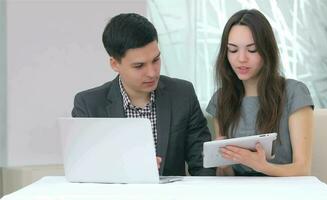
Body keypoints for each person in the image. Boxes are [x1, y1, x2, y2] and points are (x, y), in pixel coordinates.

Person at [72, 13, 215, 176]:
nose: (152, 73)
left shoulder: (183, 94)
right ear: (115, 64)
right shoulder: (89, 105)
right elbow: (85, 170)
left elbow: (203, 165)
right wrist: (128, 168)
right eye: (139, 66)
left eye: (156, 60)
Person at [206, 9, 314, 176]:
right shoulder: (221, 99)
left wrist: (262, 166)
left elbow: (303, 168)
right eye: (233, 50)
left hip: (285, 191)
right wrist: (223, 163)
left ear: (267, 51)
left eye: (252, 49)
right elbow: (227, 178)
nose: (241, 58)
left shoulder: (294, 93)